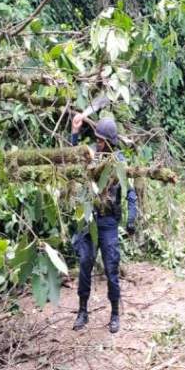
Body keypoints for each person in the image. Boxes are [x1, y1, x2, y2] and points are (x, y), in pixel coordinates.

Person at [70, 111, 138, 333]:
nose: (97, 143)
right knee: (85, 264)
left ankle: (115, 313)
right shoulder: (92, 157)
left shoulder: (120, 162)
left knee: (111, 268)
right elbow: (74, 159)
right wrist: (74, 132)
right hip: (90, 221)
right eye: (96, 140)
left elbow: (130, 193)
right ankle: (82, 311)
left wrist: (131, 219)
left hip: (108, 222)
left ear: (109, 143)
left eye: (101, 141)